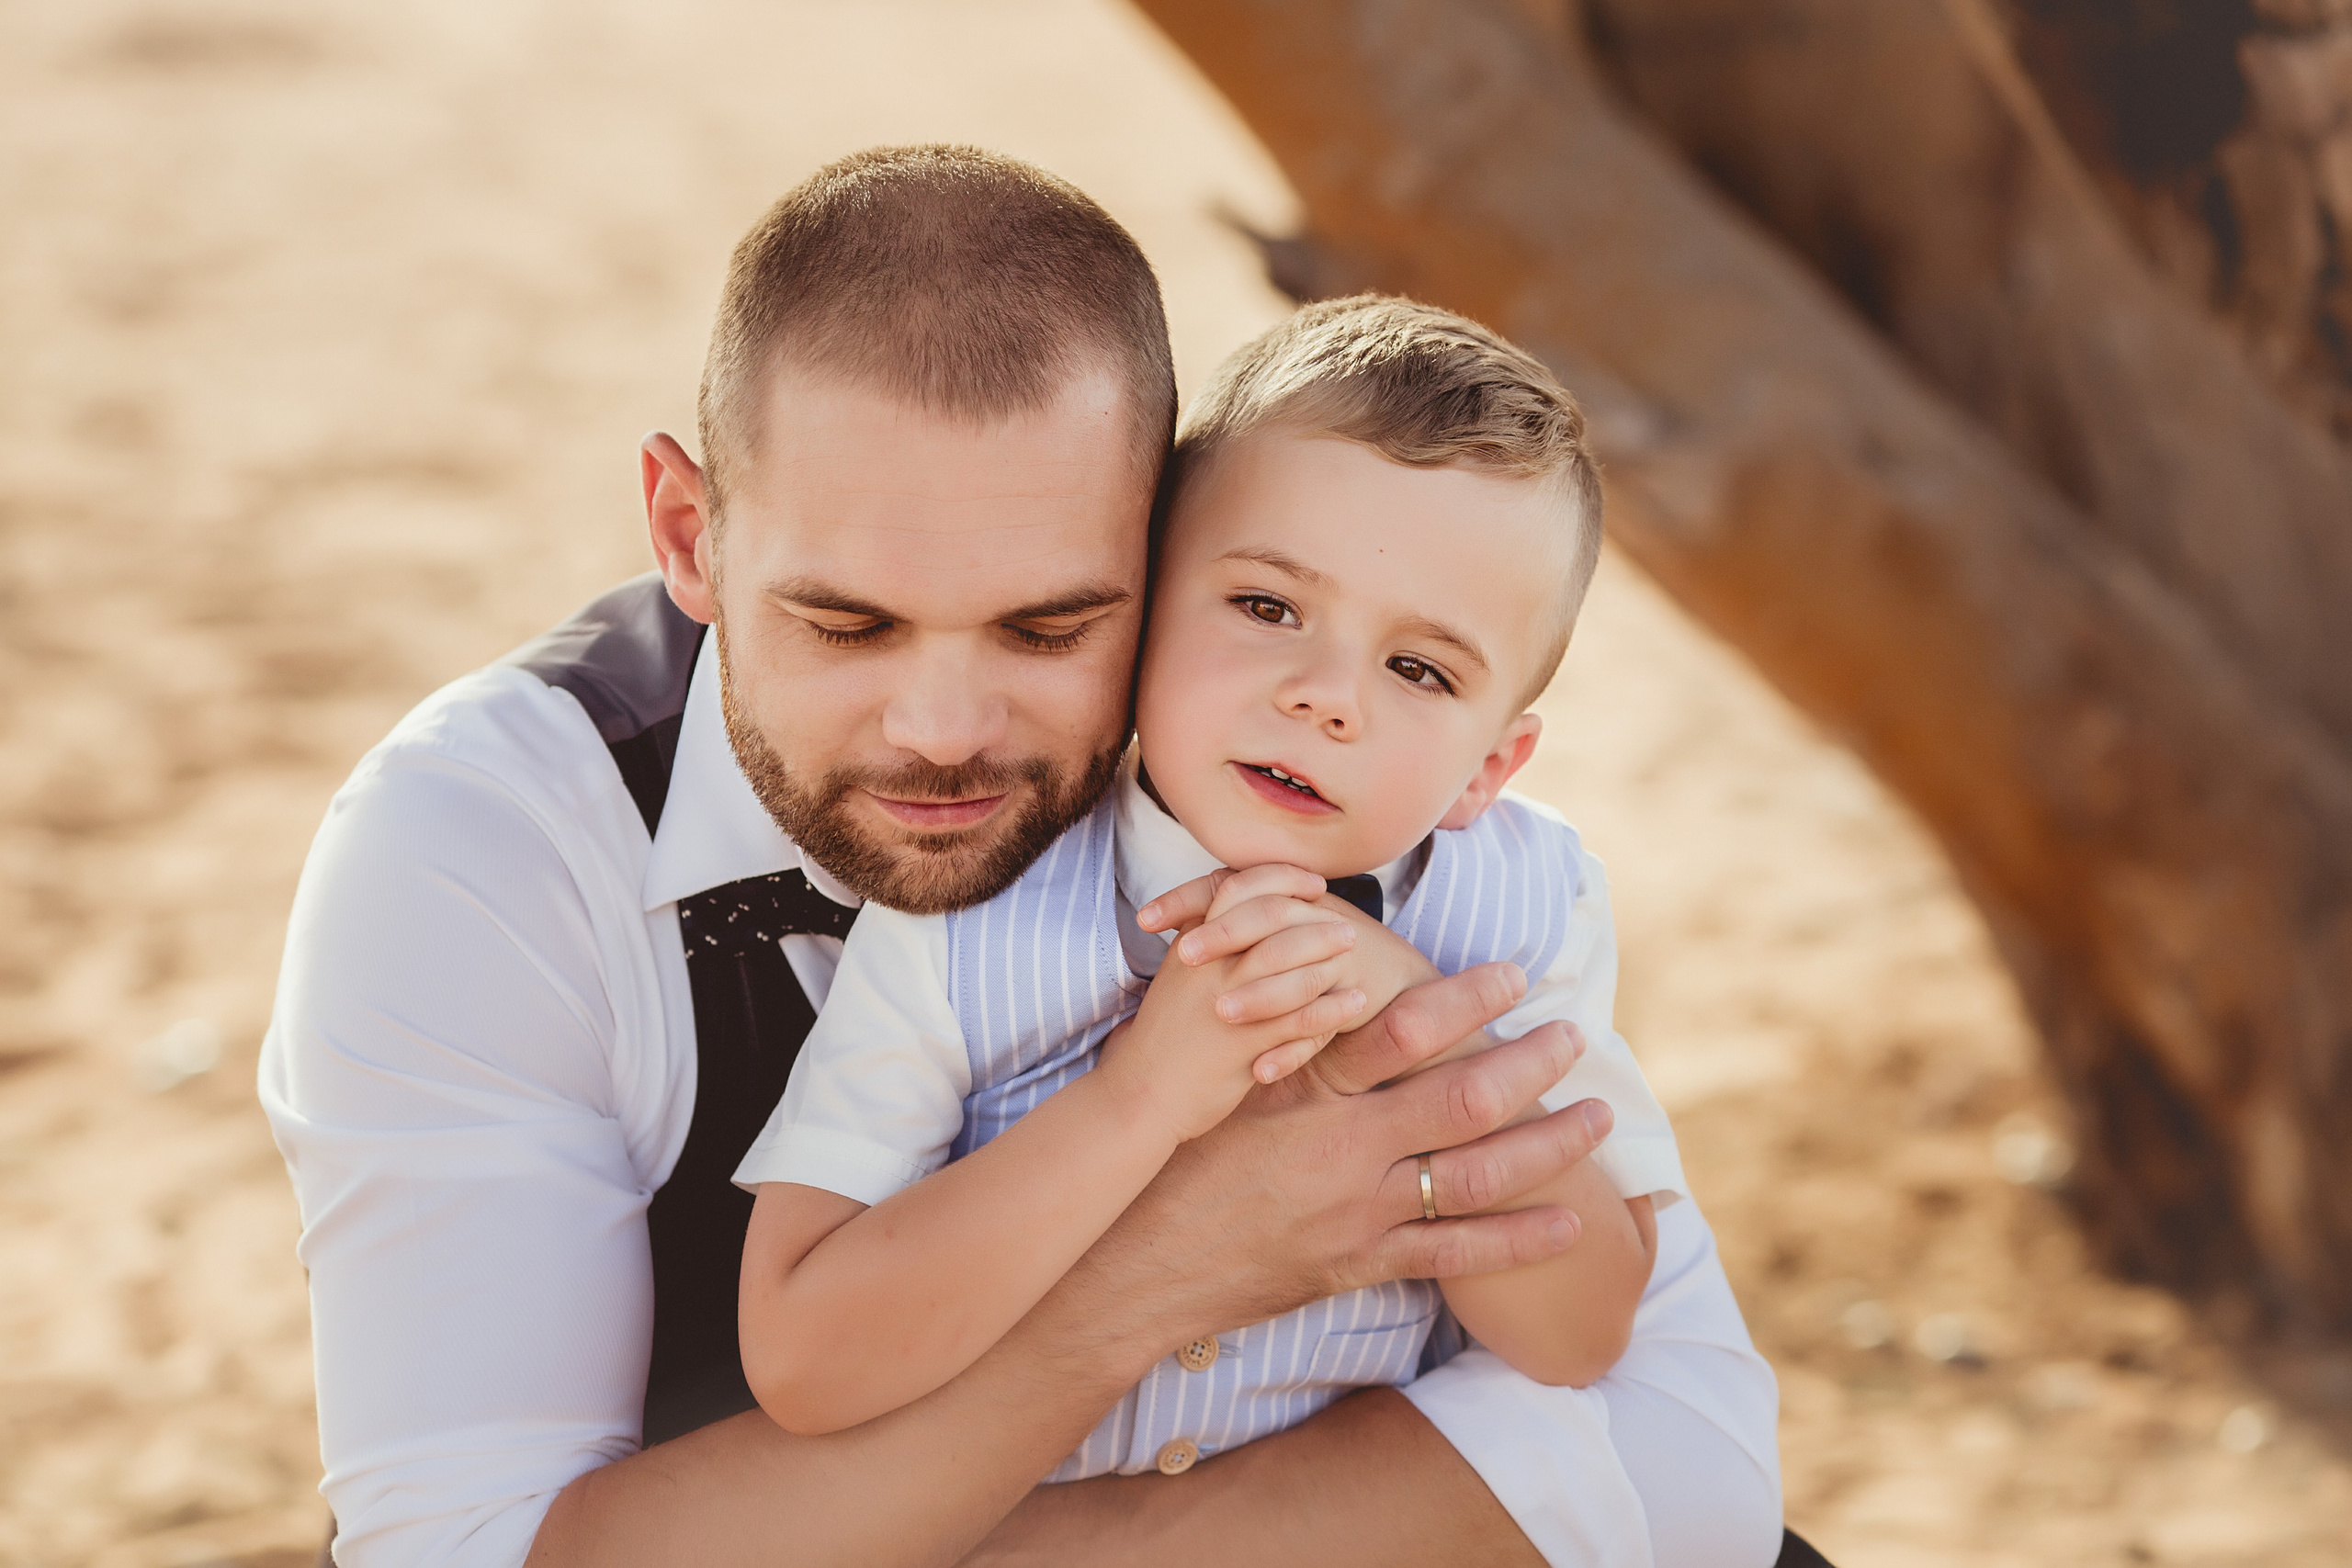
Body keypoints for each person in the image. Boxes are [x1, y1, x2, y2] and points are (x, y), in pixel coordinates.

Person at [259, 145, 1783, 1568]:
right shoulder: (484, 850)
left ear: (1152, 551)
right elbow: (465, 1551)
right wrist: (1176, 1257)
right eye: (845, 621)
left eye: (1051, 624)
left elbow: (1687, 1436)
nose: (941, 729)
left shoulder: (1443, 865)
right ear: (688, 530)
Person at [734, 297, 1687, 1477]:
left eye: (1417, 669)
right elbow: (805, 1362)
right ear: (1137, 612)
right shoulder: (975, 895)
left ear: (1487, 767)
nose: (1326, 694)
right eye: (1266, 606)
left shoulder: (1530, 908)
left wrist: (1422, 1033)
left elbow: (1579, 1333)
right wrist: (1136, 1100)